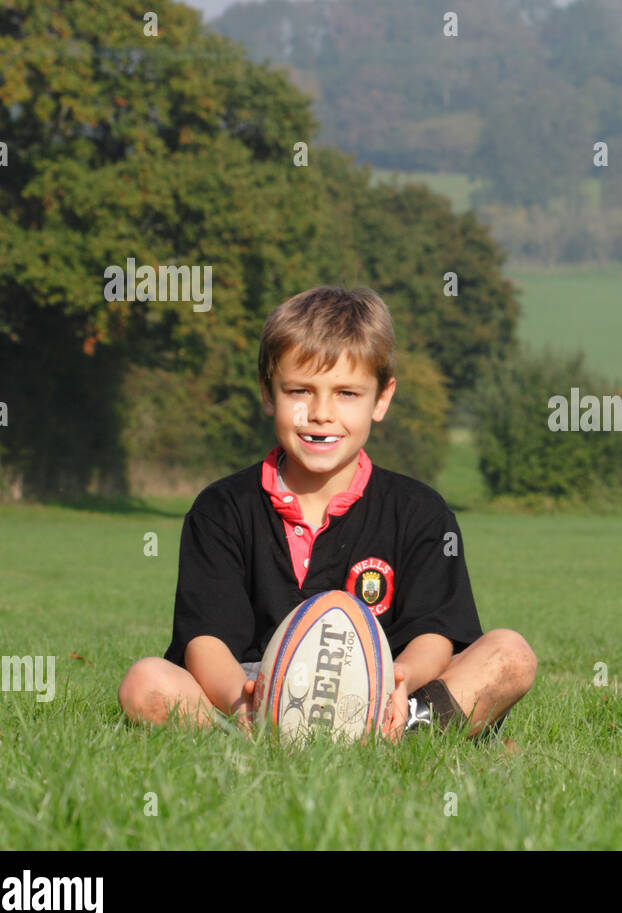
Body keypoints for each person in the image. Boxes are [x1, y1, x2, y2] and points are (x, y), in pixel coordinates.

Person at [118, 285, 536, 741]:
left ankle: (402, 735)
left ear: (381, 399)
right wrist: (246, 698)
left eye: (346, 394)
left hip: (385, 692)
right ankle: (250, 739)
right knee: (145, 683)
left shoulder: (421, 512)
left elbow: (435, 635)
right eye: (299, 391)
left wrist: (400, 682)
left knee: (510, 654)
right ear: (267, 393)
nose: (320, 413)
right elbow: (205, 642)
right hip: (253, 691)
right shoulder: (220, 509)